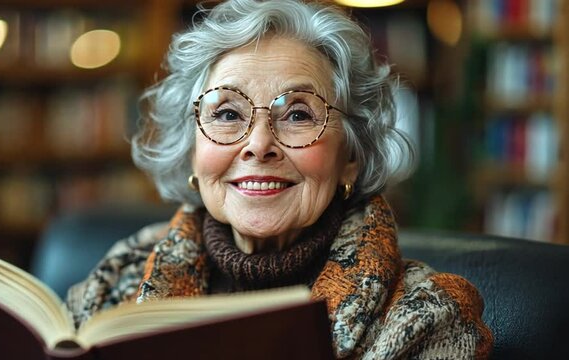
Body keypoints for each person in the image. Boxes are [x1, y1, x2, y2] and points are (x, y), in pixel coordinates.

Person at [66, 0, 493, 358]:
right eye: (228, 114)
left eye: (298, 115)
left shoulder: (426, 318)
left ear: (351, 156)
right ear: (192, 149)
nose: (258, 144)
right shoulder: (118, 281)